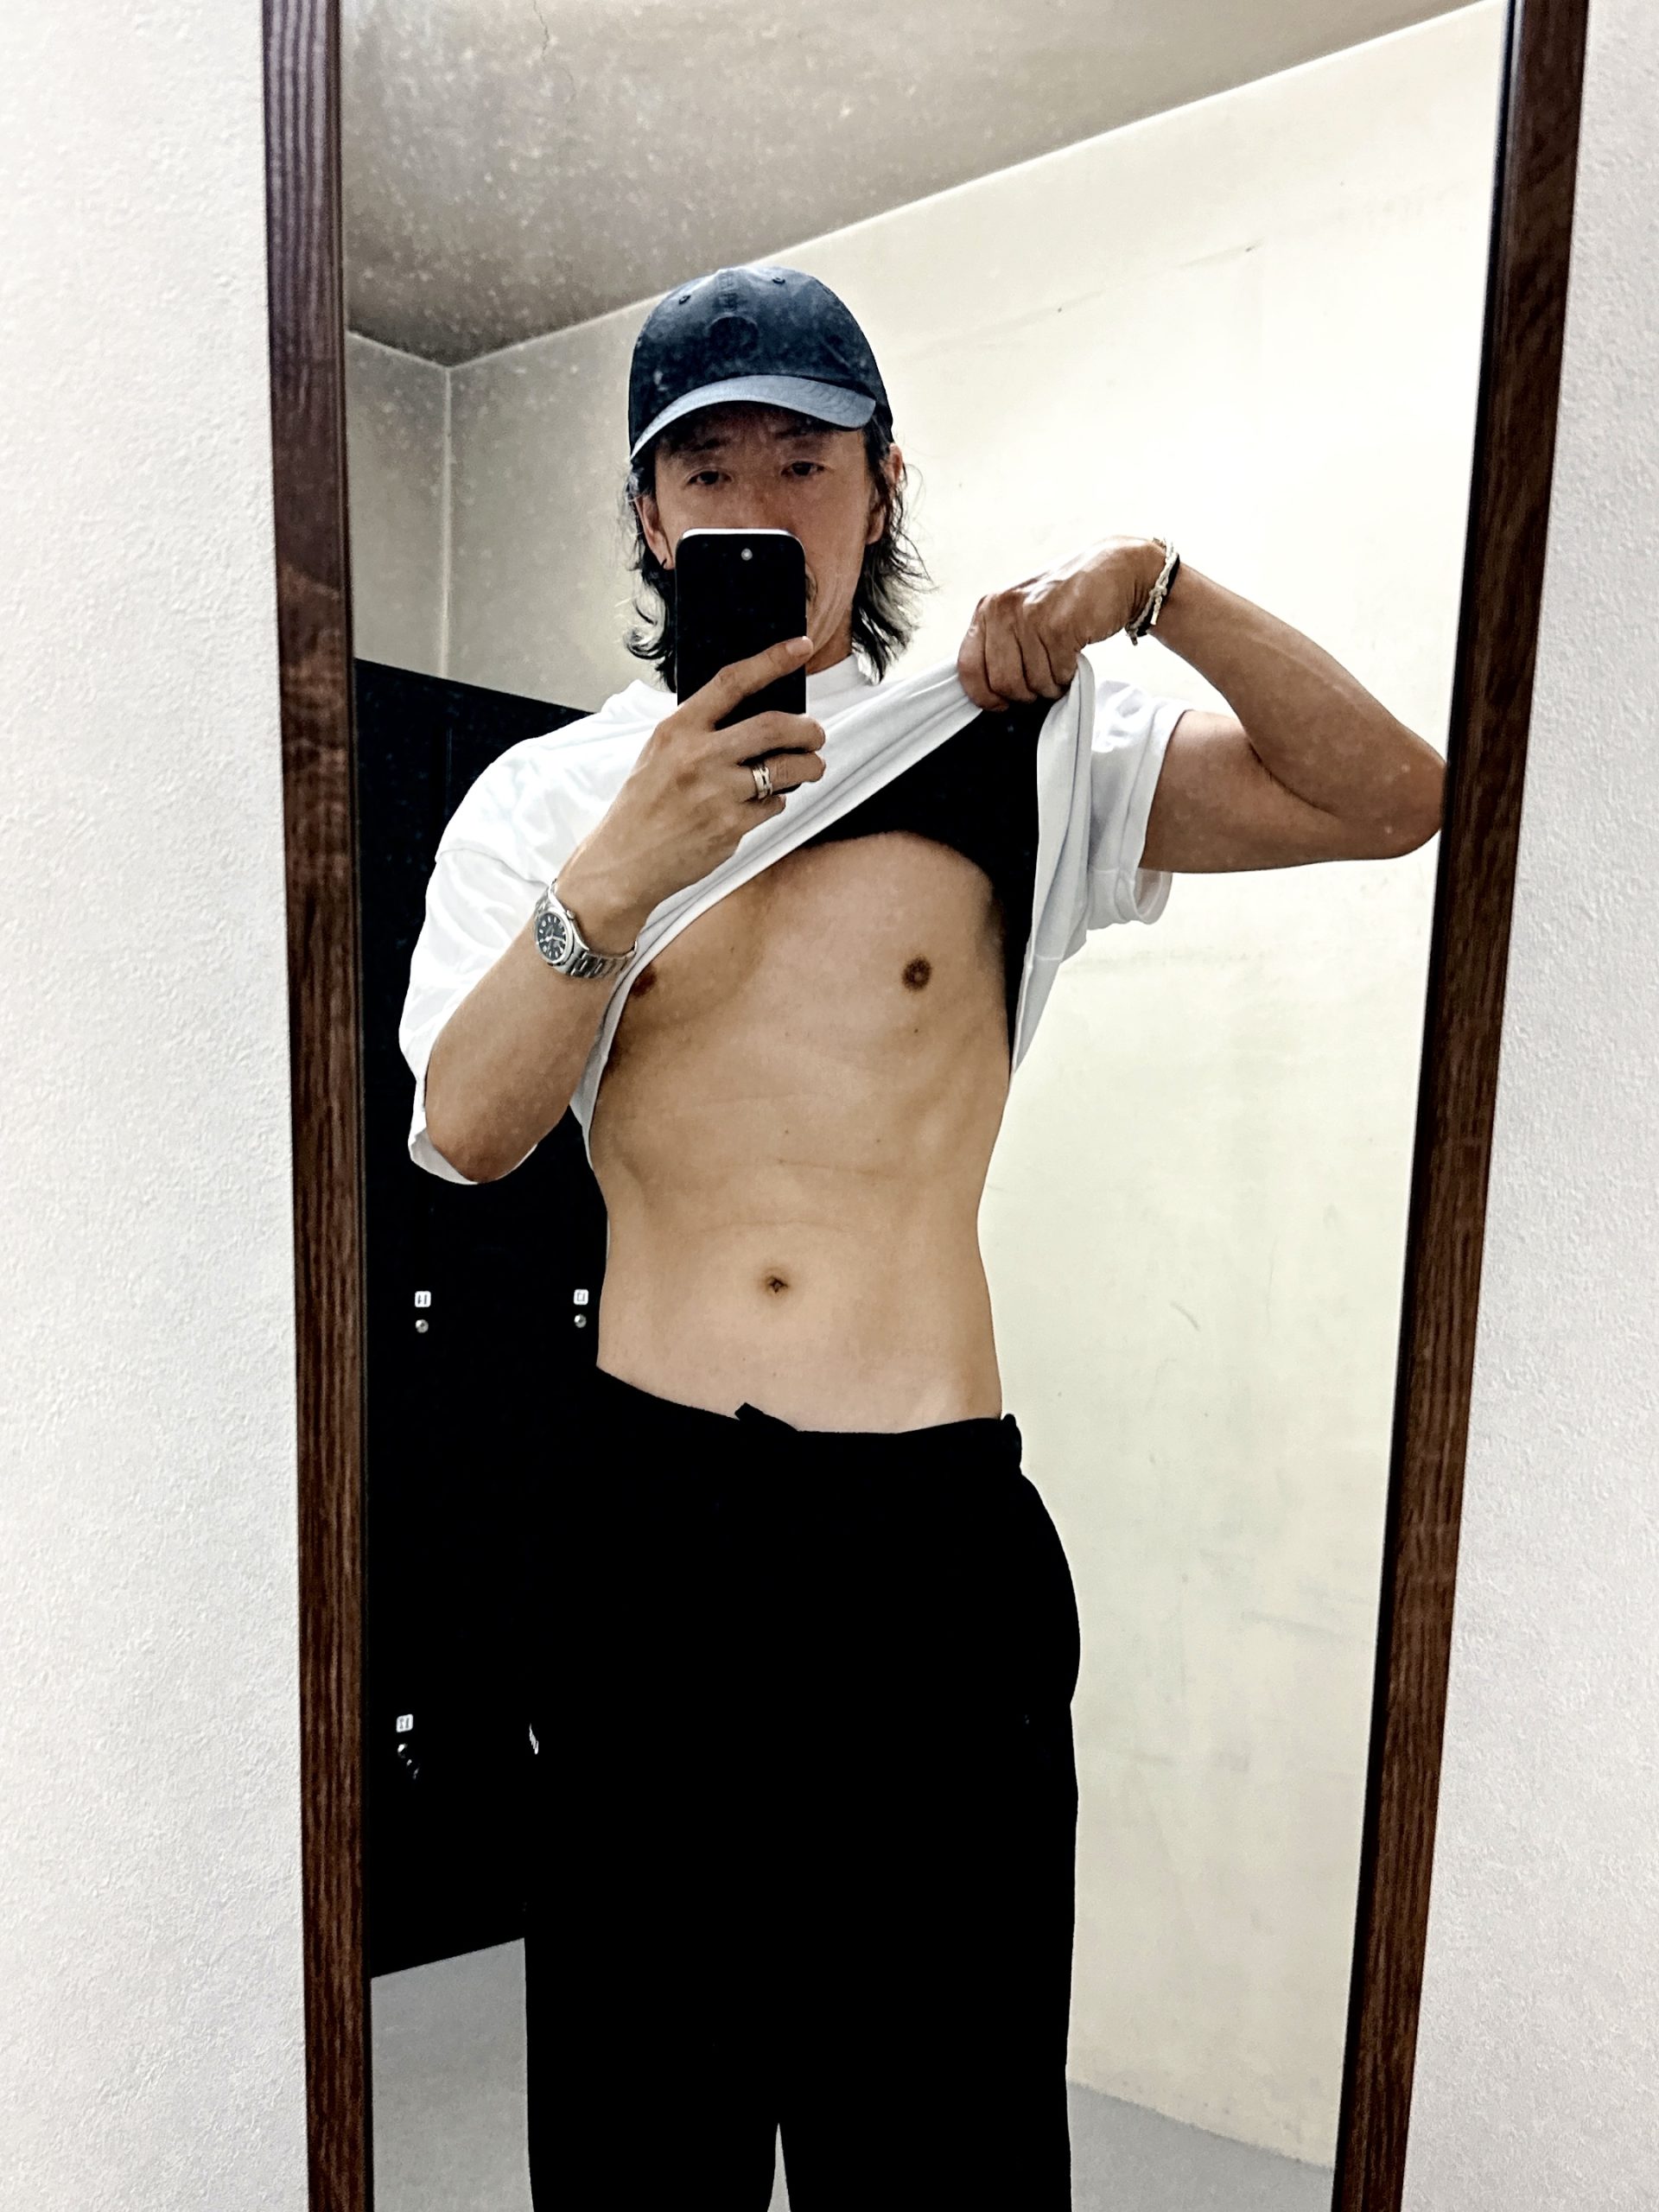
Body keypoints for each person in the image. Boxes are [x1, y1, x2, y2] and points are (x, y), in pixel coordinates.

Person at [399, 264, 1443, 2209]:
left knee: (946, 2148)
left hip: (926, 1542)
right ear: (648, 515)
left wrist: (1163, 590)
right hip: (649, 1537)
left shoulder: (1011, 736)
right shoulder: (552, 800)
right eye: (708, 468)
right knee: (641, 2144)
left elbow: (1389, 797)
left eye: (806, 459)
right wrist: (623, 873)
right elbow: (466, 1131)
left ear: (884, 483)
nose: (759, 504)